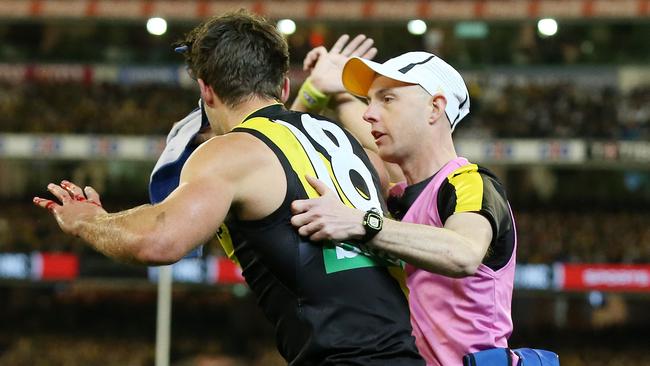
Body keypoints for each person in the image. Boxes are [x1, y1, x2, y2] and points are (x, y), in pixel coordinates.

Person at [33, 11, 424, 365]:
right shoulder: (340, 137)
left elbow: (159, 241)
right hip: (405, 349)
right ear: (284, 87)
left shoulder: (231, 151)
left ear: (206, 91)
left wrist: (89, 220)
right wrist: (332, 91)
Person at [290, 51, 517, 365]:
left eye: (387, 99)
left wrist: (363, 223)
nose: (369, 113)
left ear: (434, 108)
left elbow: (463, 252)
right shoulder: (398, 195)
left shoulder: (471, 183)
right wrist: (323, 90)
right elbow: (291, 149)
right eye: (368, 101)